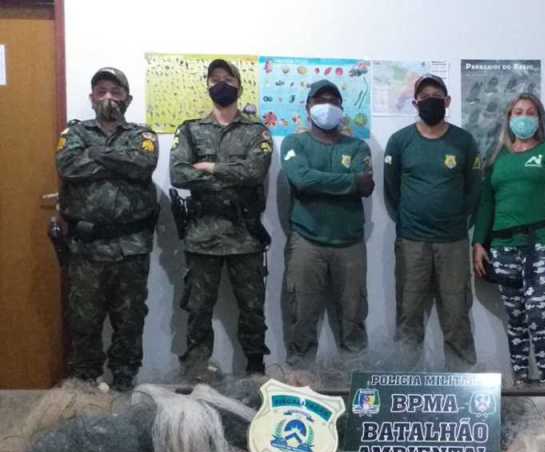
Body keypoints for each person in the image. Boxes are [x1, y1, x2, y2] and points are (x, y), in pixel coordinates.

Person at [55, 67, 159, 390]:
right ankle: (86, 386)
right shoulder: (74, 133)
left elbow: (142, 165)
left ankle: (124, 383)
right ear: (91, 97)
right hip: (85, 250)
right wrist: (118, 160)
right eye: (101, 91)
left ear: (128, 98)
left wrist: (96, 154)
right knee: (84, 321)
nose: (108, 97)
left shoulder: (143, 136)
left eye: (115, 91)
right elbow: (68, 166)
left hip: (131, 247)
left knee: (130, 322)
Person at [170, 59, 273, 380]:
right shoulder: (190, 129)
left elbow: (255, 172)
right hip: (202, 236)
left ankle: (255, 371)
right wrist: (232, 175)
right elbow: (178, 174)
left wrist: (211, 168)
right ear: (207, 86)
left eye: (228, 79)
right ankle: (197, 372)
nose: (221, 84)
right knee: (198, 311)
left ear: (239, 86)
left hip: (245, 236)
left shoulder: (257, 131)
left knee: (252, 310)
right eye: (215, 79)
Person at [472, 94, 545, 385]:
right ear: (509, 118)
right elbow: (486, 204)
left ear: (539, 119)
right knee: (515, 319)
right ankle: (520, 382)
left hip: (541, 244)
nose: (524, 117)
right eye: (518, 112)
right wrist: (478, 243)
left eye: (530, 112)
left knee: (538, 315)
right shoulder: (497, 158)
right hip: (502, 248)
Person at [384, 74, 482, 370]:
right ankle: (406, 381)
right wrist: (410, 218)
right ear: (415, 103)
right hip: (411, 241)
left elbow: (474, 190)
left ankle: (462, 382)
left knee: (456, 315)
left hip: (453, 242)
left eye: (437, 96)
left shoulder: (464, 141)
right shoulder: (399, 141)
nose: (430, 101)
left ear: (447, 101)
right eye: (424, 97)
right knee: (409, 316)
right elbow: (391, 189)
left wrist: (455, 219)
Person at [280, 80, 374, 367]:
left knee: (354, 316)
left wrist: (319, 181)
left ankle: (356, 380)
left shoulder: (358, 146)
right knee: (301, 315)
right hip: (306, 241)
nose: (327, 105)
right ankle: (300, 376)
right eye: (320, 100)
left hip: (350, 243)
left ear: (342, 108)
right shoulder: (294, 143)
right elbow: (300, 179)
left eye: (334, 100)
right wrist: (350, 182)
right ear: (308, 107)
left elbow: (366, 186)